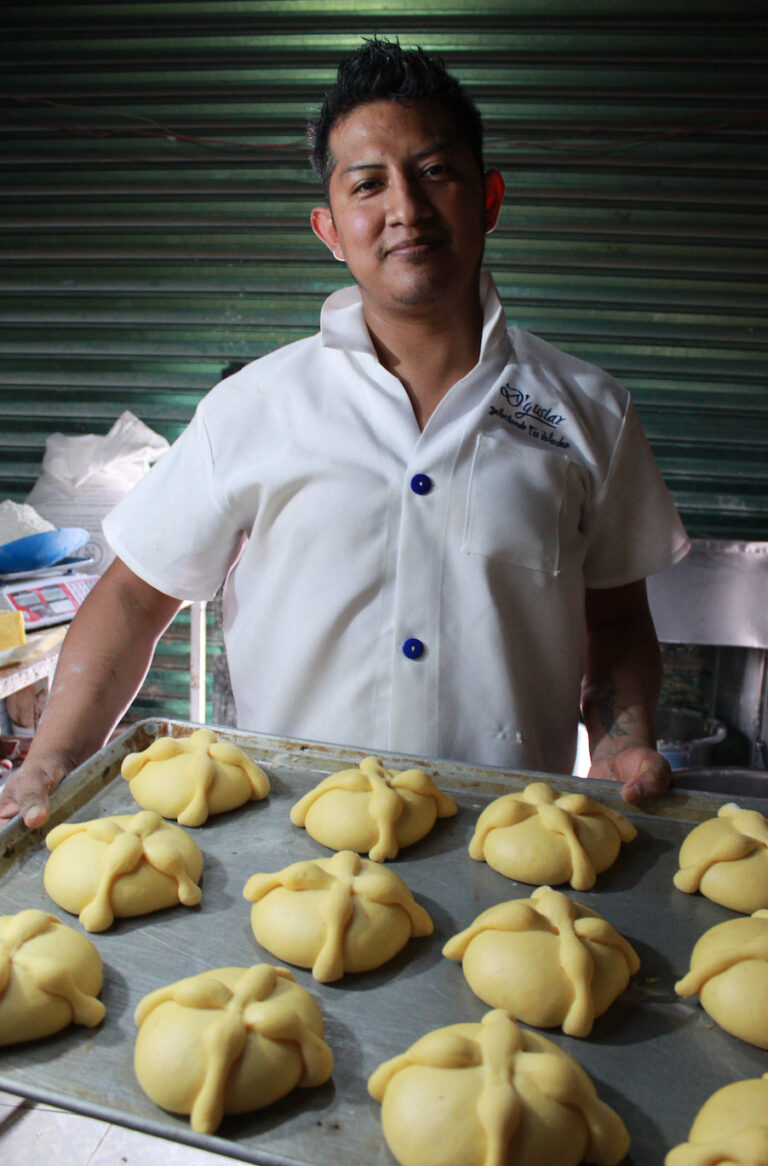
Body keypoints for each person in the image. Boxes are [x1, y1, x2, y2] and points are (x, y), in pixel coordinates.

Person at [0, 37, 689, 830]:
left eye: (435, 172)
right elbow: (131, 597)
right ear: (331, 229)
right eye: (369, 184)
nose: (405, 208)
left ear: (489, 198)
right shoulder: (253, 407)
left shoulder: (588, 413)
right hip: (279, 849)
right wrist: (53, 757)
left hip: (506, 849)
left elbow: (618, 621)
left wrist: (619, 744)